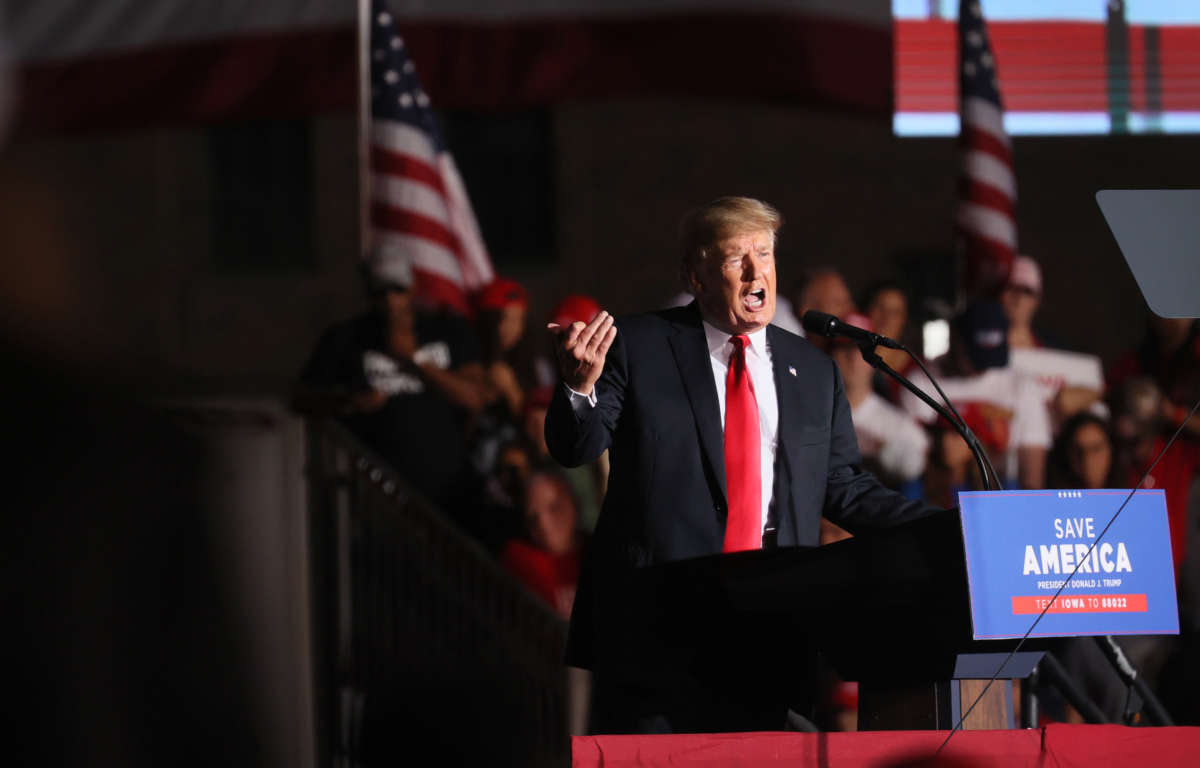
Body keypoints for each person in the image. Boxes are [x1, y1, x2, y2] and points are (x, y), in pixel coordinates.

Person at [544, 196, 938, 733]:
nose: (757, 273)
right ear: (695, 274)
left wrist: (947, 525)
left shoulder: (813, 372)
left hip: (772, 630)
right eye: (736, 259)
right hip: (658, 632)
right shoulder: (638, 345)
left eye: (765, 254)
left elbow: (842, 487)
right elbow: (576, 448)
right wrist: (577, 386)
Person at [293, 257, 486, 511]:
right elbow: (300, 399)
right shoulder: (345, 337)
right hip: (376, 499)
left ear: (413, 287)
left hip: (449, 494)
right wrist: (347, 402)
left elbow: (474, 397)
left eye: (397, 289)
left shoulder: (447, 329)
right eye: (379, 292)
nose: (389, 300)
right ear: (367, 293)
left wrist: (414, 358)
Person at [827, 312, 929, 495]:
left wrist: (878, 448)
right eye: (844, 348)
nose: (852, 357)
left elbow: (915, 466)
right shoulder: (813, 412)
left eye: (860, 349)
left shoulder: (898, 423)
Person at [500, 467, 586, 620]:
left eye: (554, 508)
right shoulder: (519, 559)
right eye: (533, 518)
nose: (543, 524)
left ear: (574, 503)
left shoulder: (599, 553)